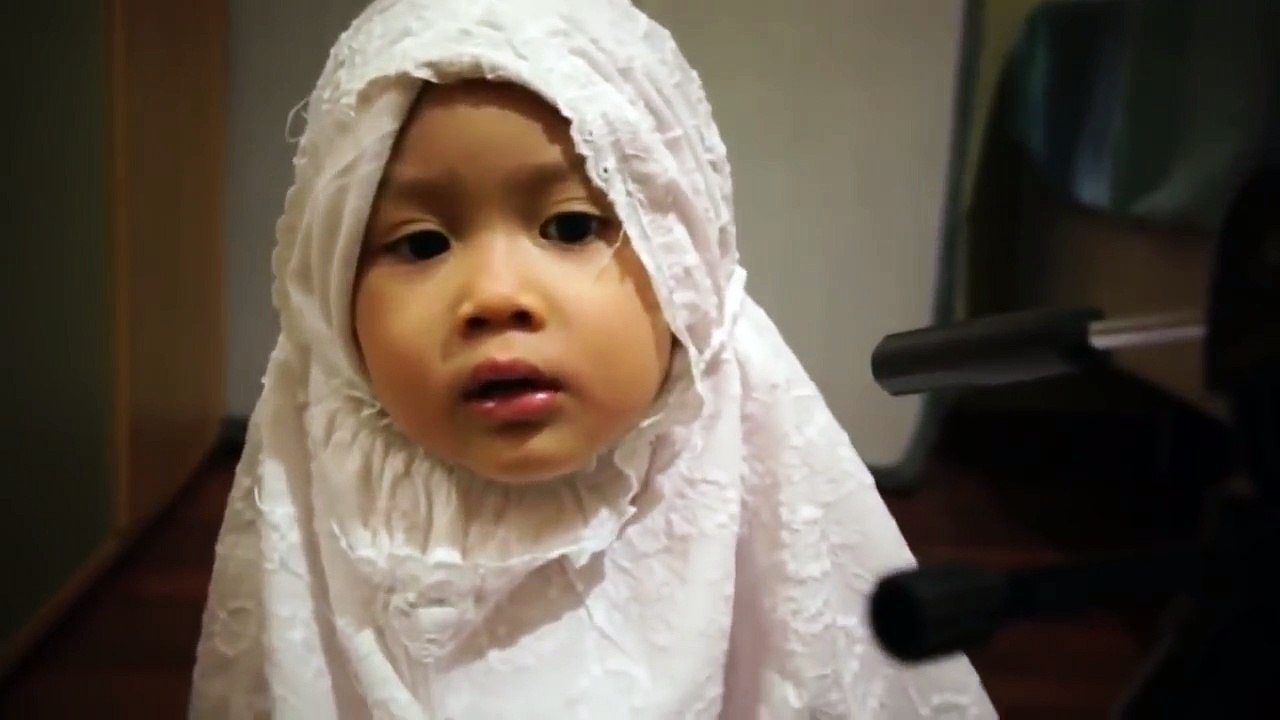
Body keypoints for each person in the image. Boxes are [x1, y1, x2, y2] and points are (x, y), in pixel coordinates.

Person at [191, 0, 997, 717]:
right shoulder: (321, 483)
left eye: (572, 228)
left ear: (684, 260)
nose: (497, 295)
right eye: (422, 242)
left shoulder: (750, 466)